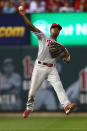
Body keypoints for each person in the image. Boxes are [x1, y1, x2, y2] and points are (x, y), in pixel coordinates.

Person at [18, 7, 76, 118]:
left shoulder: (61, 46)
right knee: (32, 92)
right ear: (50, 30)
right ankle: (29, 108)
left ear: (59, 32)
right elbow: (31, 27)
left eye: (58, 28)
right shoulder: (44, 37)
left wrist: (66, 56)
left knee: (59, 87)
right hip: (39, 66)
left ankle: (66, 106)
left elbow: (67, 58)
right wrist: (23, 15)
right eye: (54, 27)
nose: (56, 29)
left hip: (51, 68)